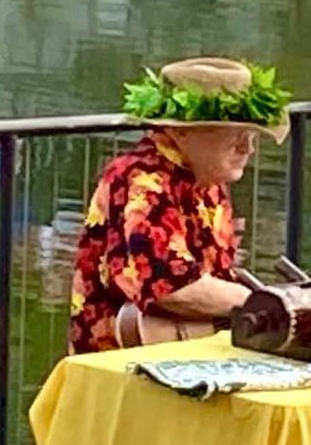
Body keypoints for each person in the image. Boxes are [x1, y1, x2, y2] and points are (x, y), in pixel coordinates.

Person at [67, 57, 289, 354]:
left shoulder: (207, 179)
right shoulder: (143, 182)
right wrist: (265, 303)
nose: (248, 149)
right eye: (235, 135)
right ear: (181, 131)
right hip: (119, 362)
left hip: (180, 353)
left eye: (251, 137)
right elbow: (170, 286)